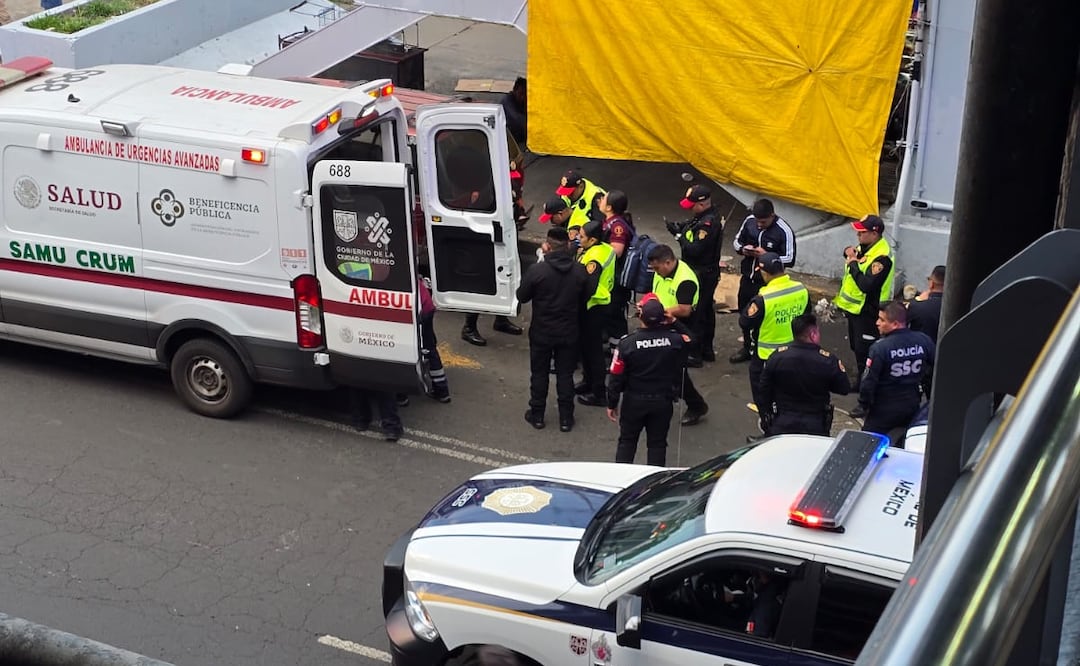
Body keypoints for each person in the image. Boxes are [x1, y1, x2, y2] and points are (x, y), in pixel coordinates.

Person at [517, 227, 589, 432]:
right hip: (569, 332)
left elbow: (522, 296)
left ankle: (537, 414)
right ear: (568, 245)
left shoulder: (538, 271)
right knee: (565, 375)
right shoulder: (579, 271)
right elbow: (585, 297)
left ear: (547, 246)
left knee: (539, 373)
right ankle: (566, 418)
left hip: (542, 331)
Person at [607, 295, 690, 466]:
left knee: (627, 442)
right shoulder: (674, 340)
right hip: (662, 400)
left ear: (640, 317)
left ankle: (620, 482)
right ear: (663, 318)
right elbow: (692, 339)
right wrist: (674, 321)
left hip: (634, 401)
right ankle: (655, 485)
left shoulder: (626, 344)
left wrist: (612, 403)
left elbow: (616, 376)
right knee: (657, 444)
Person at [739, 253, 810, 417]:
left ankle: (768, 424)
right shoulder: (800, 289)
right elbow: (806, 317)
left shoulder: (763, 298)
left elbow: (745, 322)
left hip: (767, 355)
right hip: (795, 350)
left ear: (765, 273)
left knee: (763, 393)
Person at [757, 313, 849, 437]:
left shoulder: (777, 357)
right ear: (813, 335)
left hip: (782, 421)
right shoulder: (827, 361)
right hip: (815, 424)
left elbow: (763, 391)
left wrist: (766, 416)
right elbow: (843, 388)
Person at [647, 244, 709, 425]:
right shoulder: (663, 273)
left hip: (680, 328)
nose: (656, 272)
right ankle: (668, 394)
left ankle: (696, 405)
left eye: (657, 268)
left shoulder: (685, 280)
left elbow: (684, 310)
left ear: (668, 262)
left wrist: (658, 312)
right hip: (662, 325)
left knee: (676, 372)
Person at [730, 198, 797, 363]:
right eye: (757, 221)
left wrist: (766, 256)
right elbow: (737, 242)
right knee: (745, 315)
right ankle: (747, 347)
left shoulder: (784, 230)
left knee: (764, 319)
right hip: (748, 278)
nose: (759, 225)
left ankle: (762, 351)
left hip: (768, 284)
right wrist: (744, 250)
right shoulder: (750, 221)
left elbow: (790, 258)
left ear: (772, 215)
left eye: (763, 221)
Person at [833, 214, 894, 391]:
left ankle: (866, 385)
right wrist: (848, 252)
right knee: (856, 346)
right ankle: (862, 378)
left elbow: (867, 285)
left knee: (866, 350)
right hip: (854, 309)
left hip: (869, 311)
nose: (858, 235)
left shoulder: (882, 258)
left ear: (875, 234)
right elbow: (854, 254)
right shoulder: (866, 247)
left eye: (862, 232)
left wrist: (852, 264)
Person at [858, 301, 936, 436]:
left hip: (883, 408)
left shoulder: (880, 348)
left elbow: (868, 382)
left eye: (882, 320)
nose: (877, 323)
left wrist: (863, 405)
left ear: (895, 324)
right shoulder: (923, 340)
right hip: (911, 404)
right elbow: (937, 368)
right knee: (906, 439)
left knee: (868, 443)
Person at [666, 184, 724, 364]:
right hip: (702, 271)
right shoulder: (703, 217)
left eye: (692, 205)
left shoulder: (708, 224)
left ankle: (695, 353)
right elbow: (690, 226)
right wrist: (679, 227)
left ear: (702, 204)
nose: (690, 209)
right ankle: (706, 350)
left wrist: (678, 236)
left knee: (697, 314)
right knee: (706, 311)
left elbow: (695, 249)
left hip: (702, 273)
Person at [576, 220, 617, 406]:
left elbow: (588, 287)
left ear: (592, 240)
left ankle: (598, 392)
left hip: (592, 307)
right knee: (586, 347)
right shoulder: (605, 249)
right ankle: (588, 381)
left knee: (593, 351)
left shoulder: (594, 258)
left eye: (582, 236)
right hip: (600, 304)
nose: (578, 237)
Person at [599, 190, 636, 347]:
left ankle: (619, 353)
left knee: (615, 316)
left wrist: (596, 248)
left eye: (604, 199)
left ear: (609, 207)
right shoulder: (610, 221)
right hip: (609, 277)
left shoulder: (617, 226)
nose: (600, 200)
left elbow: (617, 250)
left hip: (616, 278)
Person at [418, 276, 451, 402]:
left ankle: (401, 394)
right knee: (429, 347)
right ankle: (441, 389)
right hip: (425, 306)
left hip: (418, 308)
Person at [555, 169, 606, 241]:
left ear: (581, 186)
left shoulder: (596, 197)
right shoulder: (566, 194)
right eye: (565, 192)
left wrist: (578, 229)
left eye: (570, 192)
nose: (567, 195)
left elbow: (599, 226)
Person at [907, 264, 945, 342]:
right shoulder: (957, 306)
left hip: (923, 349)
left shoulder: (917, 307)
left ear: (932, 284)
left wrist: (918, 299)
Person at [501, 77, 527, 146]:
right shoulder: (507, 101)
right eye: (520, 94)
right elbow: (517, 119)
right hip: (509, 139)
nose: (523, 97)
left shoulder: (524, 102)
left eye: (525, 94)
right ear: (514, 91)